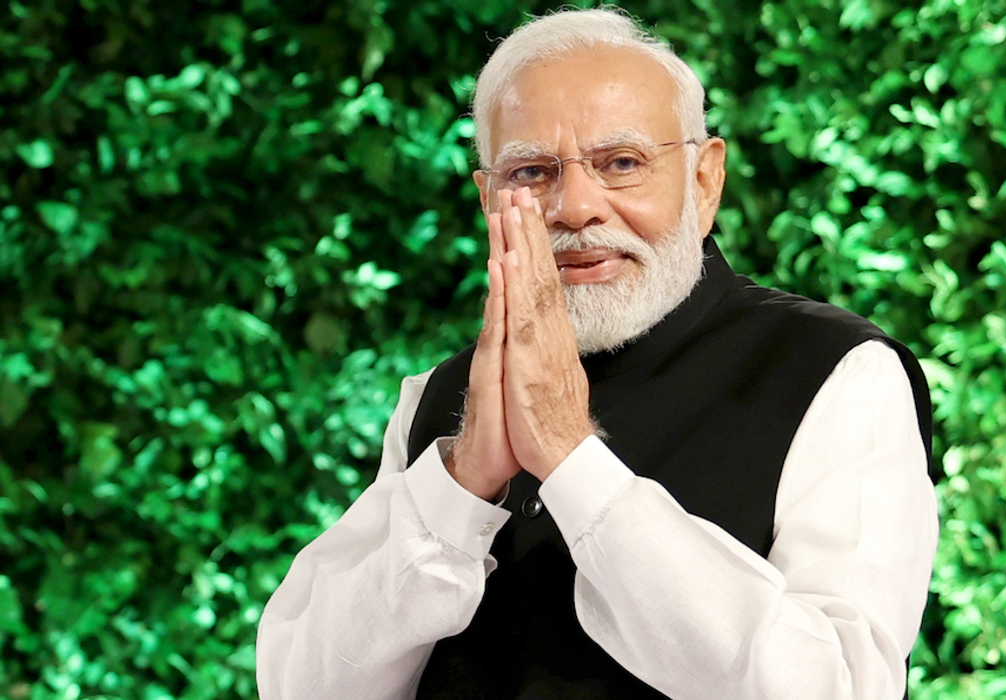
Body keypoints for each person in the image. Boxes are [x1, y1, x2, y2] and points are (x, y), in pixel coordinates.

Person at [256, 8, 938, 700]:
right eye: (531, 171)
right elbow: (302, 686)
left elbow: (837, 688)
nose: (576, 206)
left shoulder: (833, 372)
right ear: (488, 198)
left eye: (621, 163)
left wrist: (571, 461)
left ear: (703, 183)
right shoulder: (438, 397)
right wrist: (461, 483)